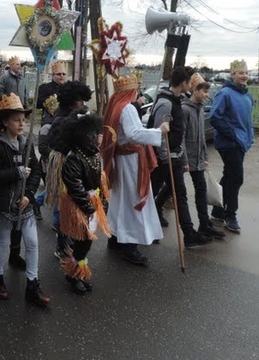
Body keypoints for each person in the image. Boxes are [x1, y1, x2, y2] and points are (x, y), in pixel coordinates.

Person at [0, 93, 49, 307]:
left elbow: (36, 170)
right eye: (16, 119)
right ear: (5, 122)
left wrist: (29, 195)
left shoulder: (28, 143)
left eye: (23, 119)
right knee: (2, 240)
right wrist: (16, 172)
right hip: (3, 203)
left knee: (31, 242)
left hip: (24, 203)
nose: (22, 123)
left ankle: (32, 283)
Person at [101, 74, 169, 265]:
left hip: (121, 160)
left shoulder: (114, 106)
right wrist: (159, 131)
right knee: (133, 200)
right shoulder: (128, 108)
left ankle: (115, 237)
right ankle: (129, 246)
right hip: (131, 162)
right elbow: (134, 134)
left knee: (120, 200)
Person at [148, 66, 212, 249]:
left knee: (180, 194)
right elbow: (159, 133)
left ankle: (189, 235)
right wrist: (163, 157)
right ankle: (147, 230)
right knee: (151, 194)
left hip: (175, 157)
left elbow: (179, 133)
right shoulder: (166, 103)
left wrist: (182, 159)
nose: (190, 85)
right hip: (162, 159)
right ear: (184, 83)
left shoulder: (177, 100)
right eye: (189, 82)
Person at [39, 80, 93, 259]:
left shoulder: (76, 115)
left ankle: (69, 241)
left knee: (71, 207)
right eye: (80, 100)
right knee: (65, 207)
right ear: (71, 101)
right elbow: (60, 146)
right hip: (65, 167)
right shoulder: (61, 120)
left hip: (76, 166)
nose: (83, 104)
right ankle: (62, 245)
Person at [59, 112, 109, 295]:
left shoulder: (93, 154)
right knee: (83, 241)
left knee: (85, 242)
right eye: (97, 132)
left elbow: (98, 181)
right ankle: (73, 275)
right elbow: (75, 187)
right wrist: (88, 207)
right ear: (87, 136)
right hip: (80, 205)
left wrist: (101, 201)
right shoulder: (74, 158)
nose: (101, 136)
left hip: (92, 203)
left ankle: (76, 272)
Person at [208, 59, 254, 234]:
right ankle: (230, 214)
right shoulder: (225, 93)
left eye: (246, 73)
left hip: (242, 142)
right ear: (232, 75)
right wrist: (234, 135)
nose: (244, 76)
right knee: (236, 178)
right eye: (240, 73)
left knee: (229, 176)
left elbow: (248, 119)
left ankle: (218, 210)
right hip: (228, 143)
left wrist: (250, 137)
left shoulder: (247, 95)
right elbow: (215, 117)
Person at [182, 76, 226, 240]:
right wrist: (185, 160)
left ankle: (204, 224)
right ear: (194, 90)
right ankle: (158, 208)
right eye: (205, 91)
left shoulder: (199, 109)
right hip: (188, 158)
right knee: (173, 189)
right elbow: (182, 138)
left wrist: (205, 156)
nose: (207, 94)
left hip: (199, 158)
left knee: (201, 190)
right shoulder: (185, 109)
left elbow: (201, 136)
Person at [36, 61, 67, 126]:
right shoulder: (44, 88)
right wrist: (50, 100)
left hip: (64, 121)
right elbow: (38, 104)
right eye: (59, 74)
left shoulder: (69, 88)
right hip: (49, 122)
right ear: (53, 76)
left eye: (64, 74)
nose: (62, 76)